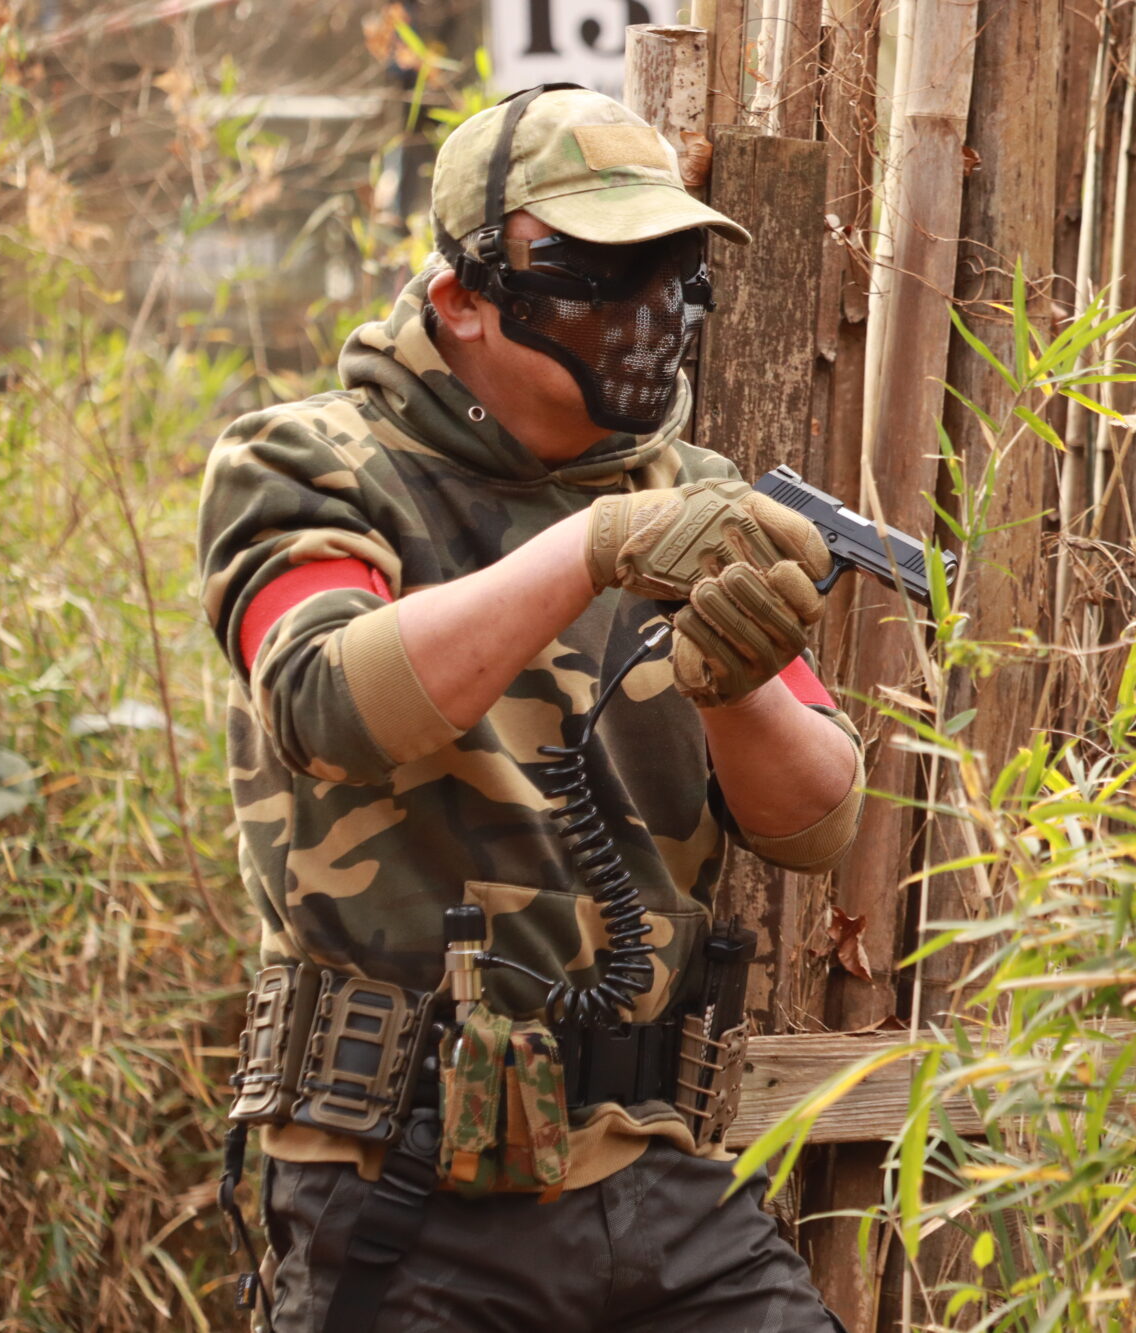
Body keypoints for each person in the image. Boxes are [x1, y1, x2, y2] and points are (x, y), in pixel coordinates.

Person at [196, 84, 863, 1333]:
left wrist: (733, 689)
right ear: (462, 298)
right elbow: (321, 696)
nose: (646, 315)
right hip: (402, 1180)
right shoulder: (307, 463)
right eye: (596, 277)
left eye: (671, 275)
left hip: (656, 1173)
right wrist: (591, 549)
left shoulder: (690, 492)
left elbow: (816, 820)